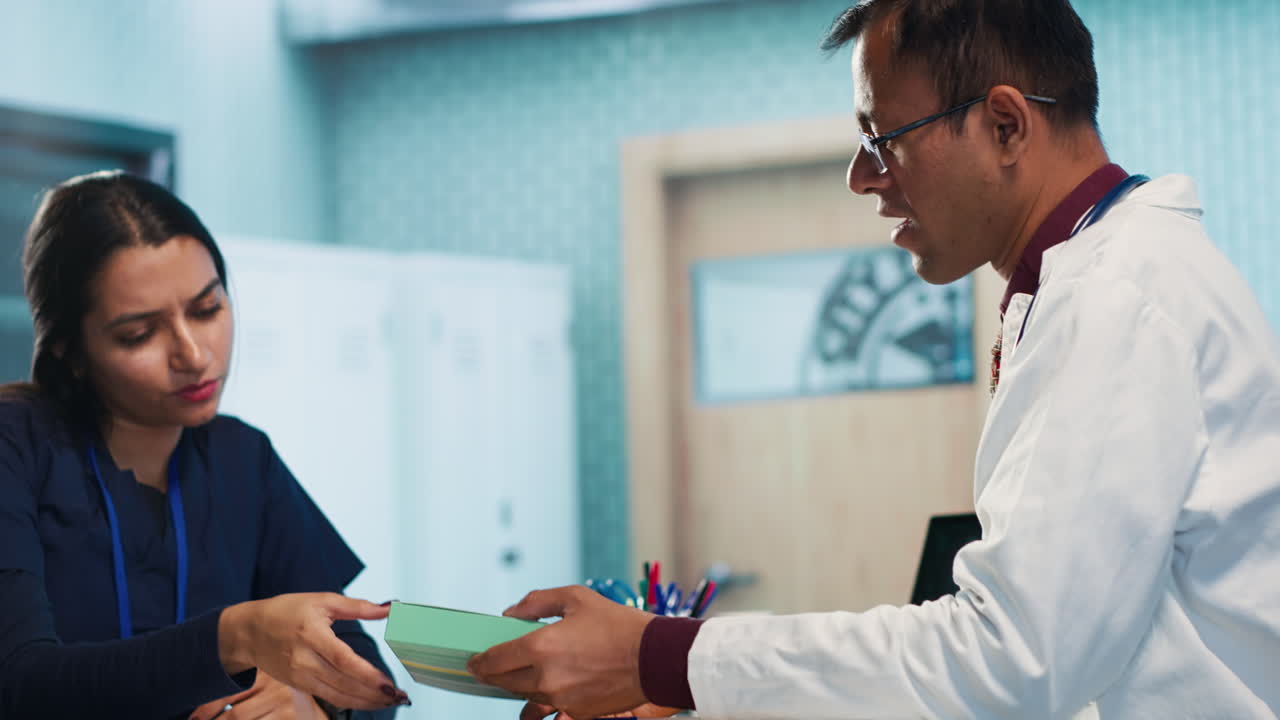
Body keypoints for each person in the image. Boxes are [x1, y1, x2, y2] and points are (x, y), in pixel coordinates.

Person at [466, 0, 1280, 718]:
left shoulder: (1119, 296)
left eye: (882, 140)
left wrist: (661, 657)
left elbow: (1012, 665)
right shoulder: (1090, 282)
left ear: (1005, 125)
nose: (863, 179)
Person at [0, 171, 412, 718]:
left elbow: (368, 681)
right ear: (70, 349)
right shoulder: (15, 445)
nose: (194, 355)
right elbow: (20, 686)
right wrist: (232, 637)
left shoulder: (242, 458)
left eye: (207, 309)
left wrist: (312, 705)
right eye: (139, 334)